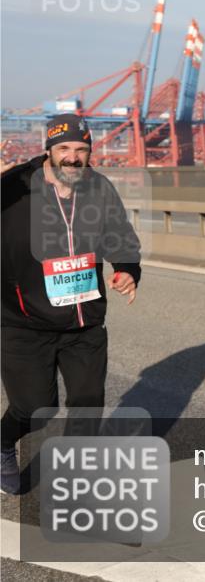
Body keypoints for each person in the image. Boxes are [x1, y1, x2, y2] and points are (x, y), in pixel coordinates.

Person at [1, 114, 141, 495]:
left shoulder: (98, 187)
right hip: (24, 323)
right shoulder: (13, 187)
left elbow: (119, 234)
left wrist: (127, 268)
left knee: (87, 402)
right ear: (49, 149)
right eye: (64, 148)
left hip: (86, 322)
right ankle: (2, 444)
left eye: (81, 149)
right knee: (34, 408)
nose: (73, 157)